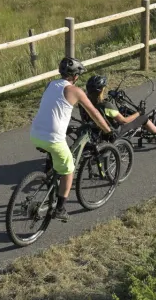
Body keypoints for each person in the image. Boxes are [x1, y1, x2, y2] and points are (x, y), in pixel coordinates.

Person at [30, 57, 115, 223]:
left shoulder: (50, 84)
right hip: (53, 138)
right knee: (69, 169)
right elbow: (94, 113)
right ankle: (60, 209)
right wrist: (108, 130)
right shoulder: (76, 91)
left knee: (55, 159)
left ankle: (49, 179)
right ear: (75, 76)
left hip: (35, 133)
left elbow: (54, 107)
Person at [84, 75, 156, 137]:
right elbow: (123, 121)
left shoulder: (86, 103)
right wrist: (139, 113)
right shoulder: (106, 105)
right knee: (144, 118)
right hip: (115, 131)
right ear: (102, 90)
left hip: (98, 132)